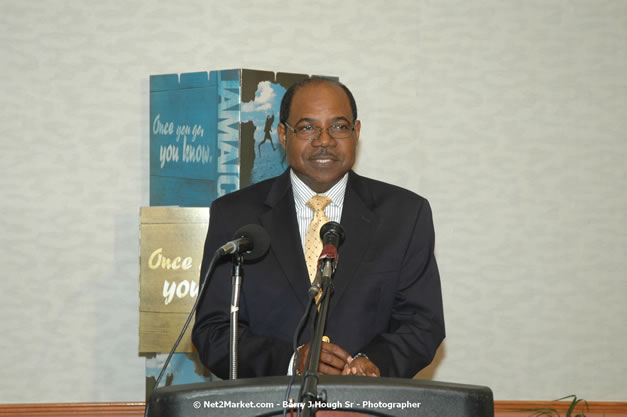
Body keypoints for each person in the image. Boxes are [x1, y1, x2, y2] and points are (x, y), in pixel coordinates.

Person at [192, 78, 444, 379]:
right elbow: (213, 333)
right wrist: (290, 361)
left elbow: (422, 323)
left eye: (338, 127)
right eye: (308, 127)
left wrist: (375, 362)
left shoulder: (404, 214)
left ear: (357, 132)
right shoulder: (235, 216)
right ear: (283, 135)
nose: (324, 140)